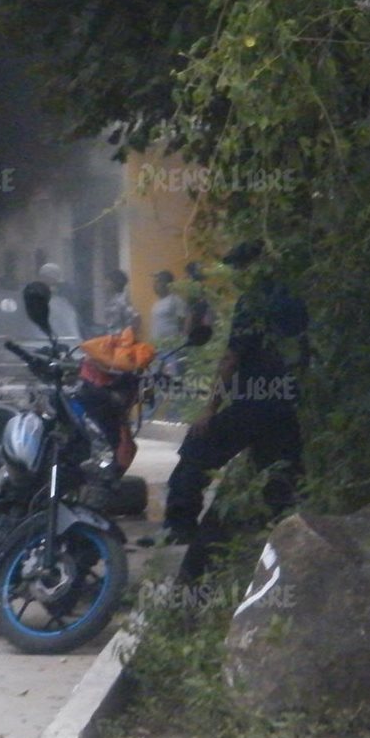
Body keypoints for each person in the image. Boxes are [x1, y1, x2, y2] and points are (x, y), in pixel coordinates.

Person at [162, 240, 309, 581]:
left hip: (252, 403)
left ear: (253, 267)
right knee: (282, 477)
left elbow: (231, 358)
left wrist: (209, 408)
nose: (239, 276)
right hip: (285, 405)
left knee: (197, 447)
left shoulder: (253, 303)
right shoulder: (295, 299)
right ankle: (282, 549)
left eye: (241, 269)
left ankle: (179, 526)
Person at [149, 269, 188, 344]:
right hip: (157, 346)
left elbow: (186, 319)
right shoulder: (156, 304)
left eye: (158, 281)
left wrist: (182, 340)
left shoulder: (175, 300)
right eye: (155, 282)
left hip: (171, 347)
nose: (155, 284)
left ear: (167, 283)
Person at [102, 268, 140, 336]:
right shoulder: (113, 300)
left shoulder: (122, 300)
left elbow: (135, 318)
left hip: (119, 341)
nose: (105, 284)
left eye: (108, 281)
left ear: (115, 283)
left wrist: (126, 336)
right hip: (112, 339)